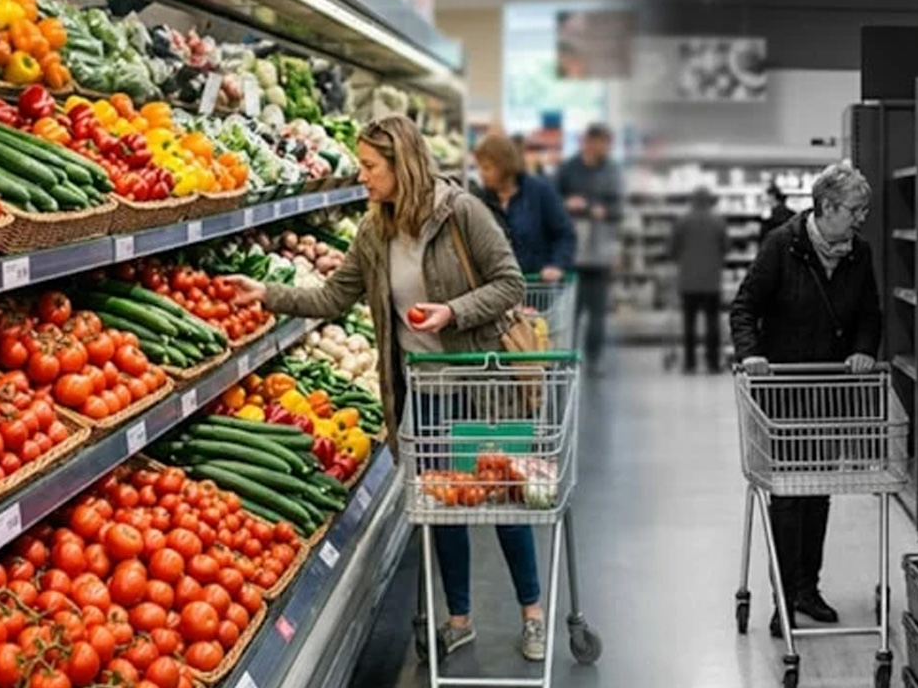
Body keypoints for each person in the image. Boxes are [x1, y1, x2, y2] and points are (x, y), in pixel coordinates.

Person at [222, 116, 548, 662]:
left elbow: (510, 283)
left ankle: (532, 614)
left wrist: (451, 312)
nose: (362, 176)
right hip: (425, 391)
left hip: (480, 384)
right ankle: (459, 619)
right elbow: (332, 298)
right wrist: (266, 293)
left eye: (370, 166)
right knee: (441, 507)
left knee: (502, 500)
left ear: (403, 165)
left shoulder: (462, 212)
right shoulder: (375, 233)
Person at [729, 162, 882, 637]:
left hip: (830, 391)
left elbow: (870, 314)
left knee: (818, 494)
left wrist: (863, 349)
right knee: (788, 497)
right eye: (855, 210)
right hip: (784, 392)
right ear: (828, 207)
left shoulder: (859, 254)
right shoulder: (782, 245)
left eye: (864, 210)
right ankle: (783, 595)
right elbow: (744, 307)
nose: (861, 218)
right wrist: (752, 355)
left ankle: (807, 589)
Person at [557, 123, 622, 374]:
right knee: (570, 311)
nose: (605, 148)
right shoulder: (568, 169)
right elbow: (552, 202)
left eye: (607, 144)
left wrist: (602, 211)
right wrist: (567, 203)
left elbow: (618, 210)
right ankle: (568, 358)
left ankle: (593, 360)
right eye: (602, 143)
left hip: (600, 254)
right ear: (589, 142)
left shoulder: (612, 171)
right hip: (572, 254)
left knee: (597, 314)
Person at [475, 133, 576, 280]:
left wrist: (556, 264)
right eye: (479, 167)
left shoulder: (540, 191)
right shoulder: (479, 199)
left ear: (504, 166)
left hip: (538, 283)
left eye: (486, 168)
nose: (481, 174)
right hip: (498, 285)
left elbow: (564, 234)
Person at [670, 187, 728, 373]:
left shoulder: (682, 221)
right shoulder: (718, 221)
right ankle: (713, 363)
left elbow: (672, 249)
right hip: (711, 281)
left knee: (689, 323)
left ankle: (690, 363)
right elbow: (726, 247)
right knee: (712, 322)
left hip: (688, 281)